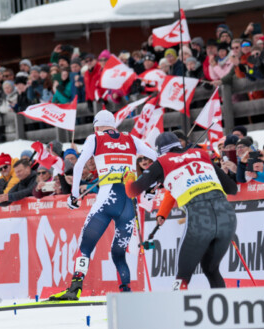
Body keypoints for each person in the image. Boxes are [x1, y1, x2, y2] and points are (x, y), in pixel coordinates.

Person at [49, 110, 157, 301]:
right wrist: (152, 186)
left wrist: (74, 196)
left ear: (96, 126)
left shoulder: (95, 137)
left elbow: (79, 164)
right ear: (114, 124)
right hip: (128, 204)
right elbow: (158, 159)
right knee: (118, 253)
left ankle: (75, 288)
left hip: (107, 199)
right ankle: (127, 294)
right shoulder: (130, 138)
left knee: (86, 246)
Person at [126, 132, 237, 289]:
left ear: (159, 151)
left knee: (183, 276)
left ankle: (177, 310)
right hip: (226, 213)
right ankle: (223, 311)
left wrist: (128, 177)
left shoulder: (161, 162)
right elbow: (231, 188)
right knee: (211, 269)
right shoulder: (201, 153)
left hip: (200, 216)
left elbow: (132, 191)